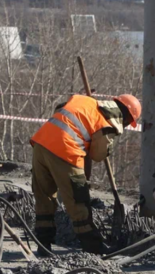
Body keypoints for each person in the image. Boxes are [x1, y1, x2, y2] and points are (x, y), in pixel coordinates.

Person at [29, 93, 141, 255]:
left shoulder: (86, 101)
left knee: (44, 198)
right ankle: (93, 246)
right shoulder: (108, 122)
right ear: (126, 117)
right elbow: (98, 155)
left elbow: (59, 108)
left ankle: (43, 245)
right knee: (78, 201)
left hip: (41, 143)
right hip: (65, 151)